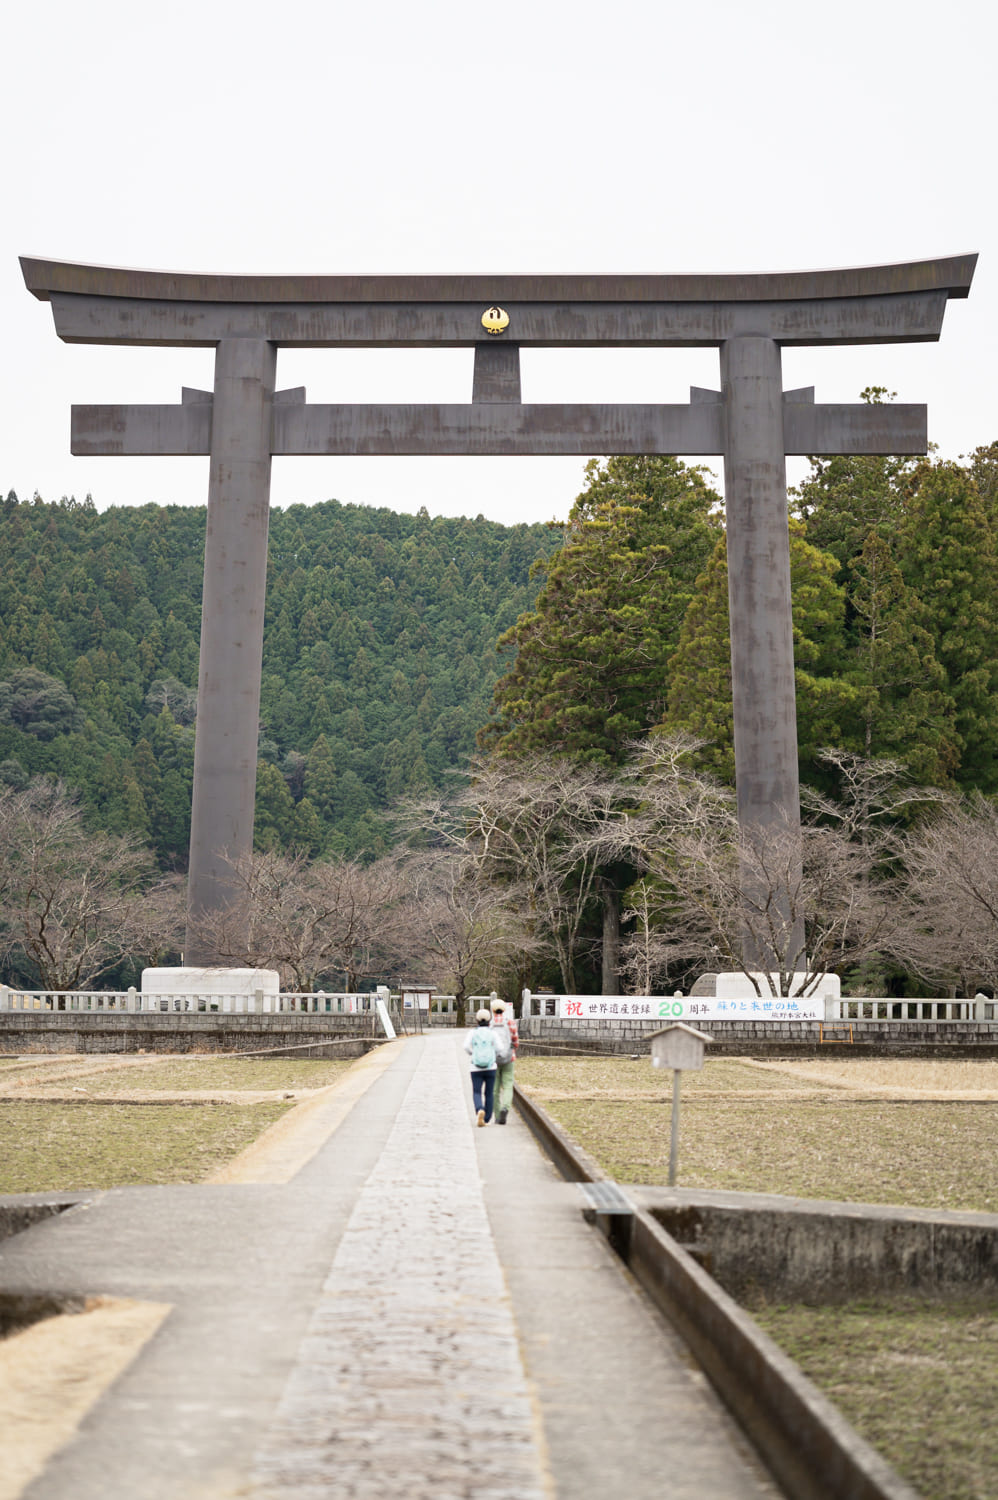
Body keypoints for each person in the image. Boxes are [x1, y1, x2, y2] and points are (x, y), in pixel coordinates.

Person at [463, 1008, 497, 1126]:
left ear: (477, 1020)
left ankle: (479, 1109)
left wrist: (473, 1054)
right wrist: (492, 1054)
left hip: (475, 1067)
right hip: (491, 1067)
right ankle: (486, 1118)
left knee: (477, 1091)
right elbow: (500, 1048)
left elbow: (466, 1046)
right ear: (489, 1020)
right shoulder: (492, 1033)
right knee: (489, 1093)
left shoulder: (473, 1033)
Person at [489, 997, 519, 1124]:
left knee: (494, 1089)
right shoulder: (510, 1022)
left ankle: (497, 1115)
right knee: (507, 1085)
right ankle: (505, 1108)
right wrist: (512, 1049)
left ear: (493, 1010)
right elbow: (515, 1041)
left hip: (493, 1059)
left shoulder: (490, 1024)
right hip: (509, 1058)